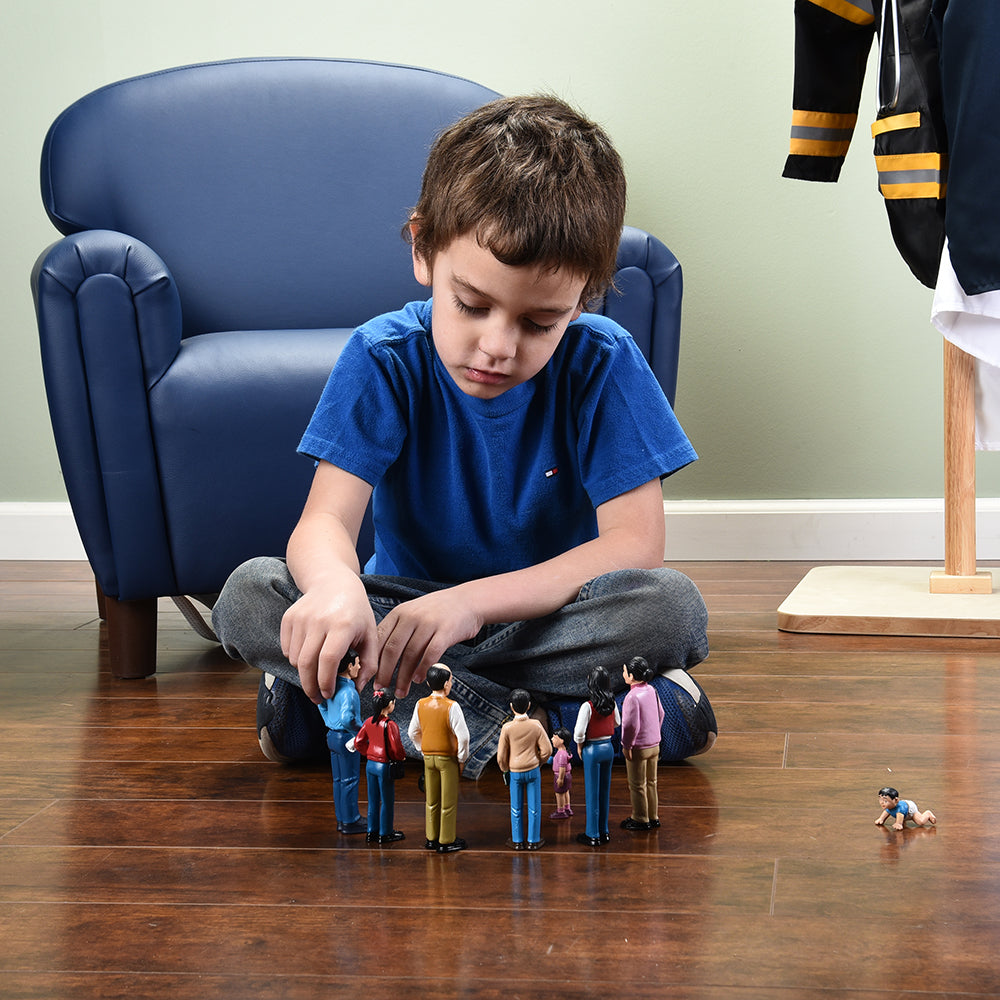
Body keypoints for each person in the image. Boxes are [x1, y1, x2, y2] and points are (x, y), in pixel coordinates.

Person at [211, 93, 709, 781]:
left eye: (540, 323)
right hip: (400, 615)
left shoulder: (604, 361)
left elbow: (635, 546)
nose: (498, 346)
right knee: (247, 594)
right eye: (471, 306)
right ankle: (548, 729)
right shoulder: (383, 356)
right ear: (423, 250)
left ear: (585, 297)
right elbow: (324, 520)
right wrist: (335, 589)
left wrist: (470, 604)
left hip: (538, 617)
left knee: (670, 610)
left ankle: (351, 707)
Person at [408, 663, 469, 853]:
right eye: (450, 681)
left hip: (428, 758)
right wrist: (462, 758)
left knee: (431, 800)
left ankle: (431, 838)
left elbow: (412, 732)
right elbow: (464, 736)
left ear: (428, 683)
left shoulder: (420, 704)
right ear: (446, 684)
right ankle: (446, 839)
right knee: (448, 801)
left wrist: (422, 749)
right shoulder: (452, 706)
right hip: (447, 758)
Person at [497, 689, 553, 850]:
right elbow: (547, 750)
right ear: (529, 706)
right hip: (533, 769)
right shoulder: (535, 725)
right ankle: (533, 840)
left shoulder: (507, 728)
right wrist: (540, 761)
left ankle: (517, 840)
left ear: (511, 707)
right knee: (534, 806)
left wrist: (505, 769)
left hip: (515, 771)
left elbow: (501, 756)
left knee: (516, 807)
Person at [317, 651, 366, 834]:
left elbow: (320, 703)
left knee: (338, 780)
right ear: (349, 666)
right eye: (357, 663)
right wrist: (361, 731)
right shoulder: (349, 691)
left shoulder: (330, 686)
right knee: (350, 780)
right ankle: (350, 820)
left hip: (331, 736)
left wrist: (328, 720)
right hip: (346, 738)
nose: (359, 667)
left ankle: (341, 818)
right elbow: (347, 719)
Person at [574, 666, 620, 847]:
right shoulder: (612, 703)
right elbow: (618, 722)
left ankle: (592, 833)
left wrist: (579, 746)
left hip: (592, 750)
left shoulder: (588, 706)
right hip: (608, 747)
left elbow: (579, 732)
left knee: (592, 793)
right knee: (604, 791)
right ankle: (604, 830)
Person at [353, 688, 406, 844]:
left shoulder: (369, 721)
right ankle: (385, 832)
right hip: (384, 766)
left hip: (370, 764)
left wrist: (368, 753)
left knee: (373, 800)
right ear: (389, 704)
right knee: (387, 801)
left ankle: (372, 831)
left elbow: (358, 742)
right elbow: (396, 748)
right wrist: (400, 757)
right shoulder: (390, 725)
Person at [619, 656, 664, 832]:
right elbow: (661, 713)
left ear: (631, 676)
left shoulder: (632, 697)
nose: (623, 674)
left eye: (624, 671)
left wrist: (627, 745)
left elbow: (631, 725)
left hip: (639, 747)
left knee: (637, 785)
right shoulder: (652, 690)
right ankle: (653, 816)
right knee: (652, 782)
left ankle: (640, 818)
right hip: (655, 744)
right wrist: (655, 733)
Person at [550, 727, 573, 819]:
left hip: (560, 775)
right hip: (568, 775)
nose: (552, 739)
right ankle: (567, 808)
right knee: (566, 791)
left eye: (555, 738)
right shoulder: (565, 752)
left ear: (562, 741)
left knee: (559, 794)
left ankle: (561, 811)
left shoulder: (561, 754)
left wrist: (560, 778)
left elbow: (562, 768)